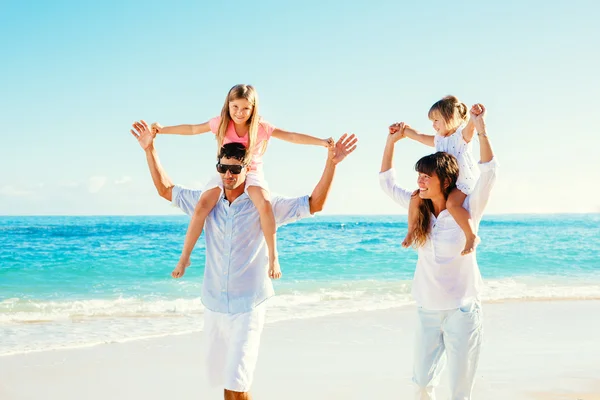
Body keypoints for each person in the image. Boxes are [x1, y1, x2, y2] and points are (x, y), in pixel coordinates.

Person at [130, 120, 357, 400]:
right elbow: (166, 190)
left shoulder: (265, 205)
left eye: (234, 169)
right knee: (225, 384)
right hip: (213, 305)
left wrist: (331, 163)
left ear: (246, 169)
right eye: (222, 168)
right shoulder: (207, 202)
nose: (228, 174)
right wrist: (149, 149)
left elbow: (314, 203)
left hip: (248, 306)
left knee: (237, 385)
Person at [151, 84, 333, 280]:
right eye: (235, 107)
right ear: (228, 105)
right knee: (203, 204)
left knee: (264, 203)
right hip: (227, 169)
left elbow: (291, 136)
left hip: (252, 172)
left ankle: (273, 257)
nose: (240, 112)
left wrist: (322, 142)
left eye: (246, 108)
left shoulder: (260, 127)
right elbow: (193, 129)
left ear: (253, 108)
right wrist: (162, 130)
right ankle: (184, 257)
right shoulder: (220, 123)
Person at [380, 104, 497, 400]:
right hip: (427, 311)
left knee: (460, 391)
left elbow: (489, 172)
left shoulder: (468, 208)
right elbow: (386, 182)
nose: (419, 181)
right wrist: (391, 142)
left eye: (426, 176)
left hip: (462, 311)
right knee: (421, 383)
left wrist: (481, 129)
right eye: (419, 175)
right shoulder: (417, 207)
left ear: (445, 181)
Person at [391, 96, 482, 255]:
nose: (433, 125)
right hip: (444, 182)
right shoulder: (439, 140)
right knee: (416, 197)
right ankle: (411, 231)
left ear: (451, 118)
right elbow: (419, 136)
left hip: (461, 183)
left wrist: (475, 117)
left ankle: (471, 236)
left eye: (436, 120)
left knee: (452, 204)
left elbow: (471, 128)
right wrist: (404, 130)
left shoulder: (461, 136)